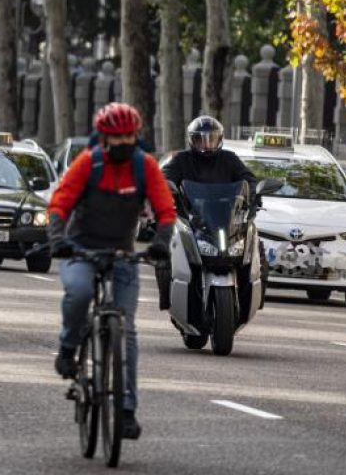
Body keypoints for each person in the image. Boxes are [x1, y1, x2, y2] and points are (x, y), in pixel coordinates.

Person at [47, 102, 176, 441]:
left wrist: (161, 242)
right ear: (103, 139)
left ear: (136, 135)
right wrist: (58, 238)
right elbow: (59, 203)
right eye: (115, 138)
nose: (122, 143)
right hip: (80, 249)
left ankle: (127, 409)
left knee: (127, 330)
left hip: (121, 254)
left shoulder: (144, 166)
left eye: (128, 137)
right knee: (80, 292)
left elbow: (166, 211)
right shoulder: (88, 163)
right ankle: (68, 347)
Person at [161, 115, 263, 310]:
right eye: (201, 139)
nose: (207, 144)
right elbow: (165, 177)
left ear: (220, 138)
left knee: (256, 251)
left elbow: (248, 179)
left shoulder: (229, 159)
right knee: (165, 252)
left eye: (212, 138)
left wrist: (253, 194)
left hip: (227, 220)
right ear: (192, 140)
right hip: (193, 221)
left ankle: (251, 301)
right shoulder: (182, 160)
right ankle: (168, 300)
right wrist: (167, 189)